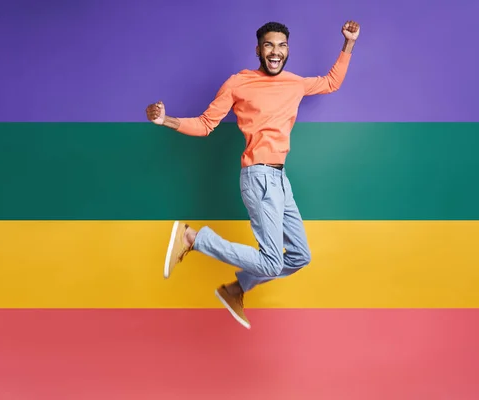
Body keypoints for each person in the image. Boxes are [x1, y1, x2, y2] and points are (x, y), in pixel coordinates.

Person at [146, 20, 360, 329]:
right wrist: (166, 120)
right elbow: (206, 124)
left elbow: (331, 82)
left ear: (287, 50)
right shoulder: (239, 83)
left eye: (282, 46)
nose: (276, 51)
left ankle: (236, 288)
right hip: (259, 177)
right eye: (269, 45)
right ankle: (194, 238)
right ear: (259, 50)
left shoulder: (294, 83)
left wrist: (349, 43)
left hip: (280, 180)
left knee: (300, 256)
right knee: (272, 262)